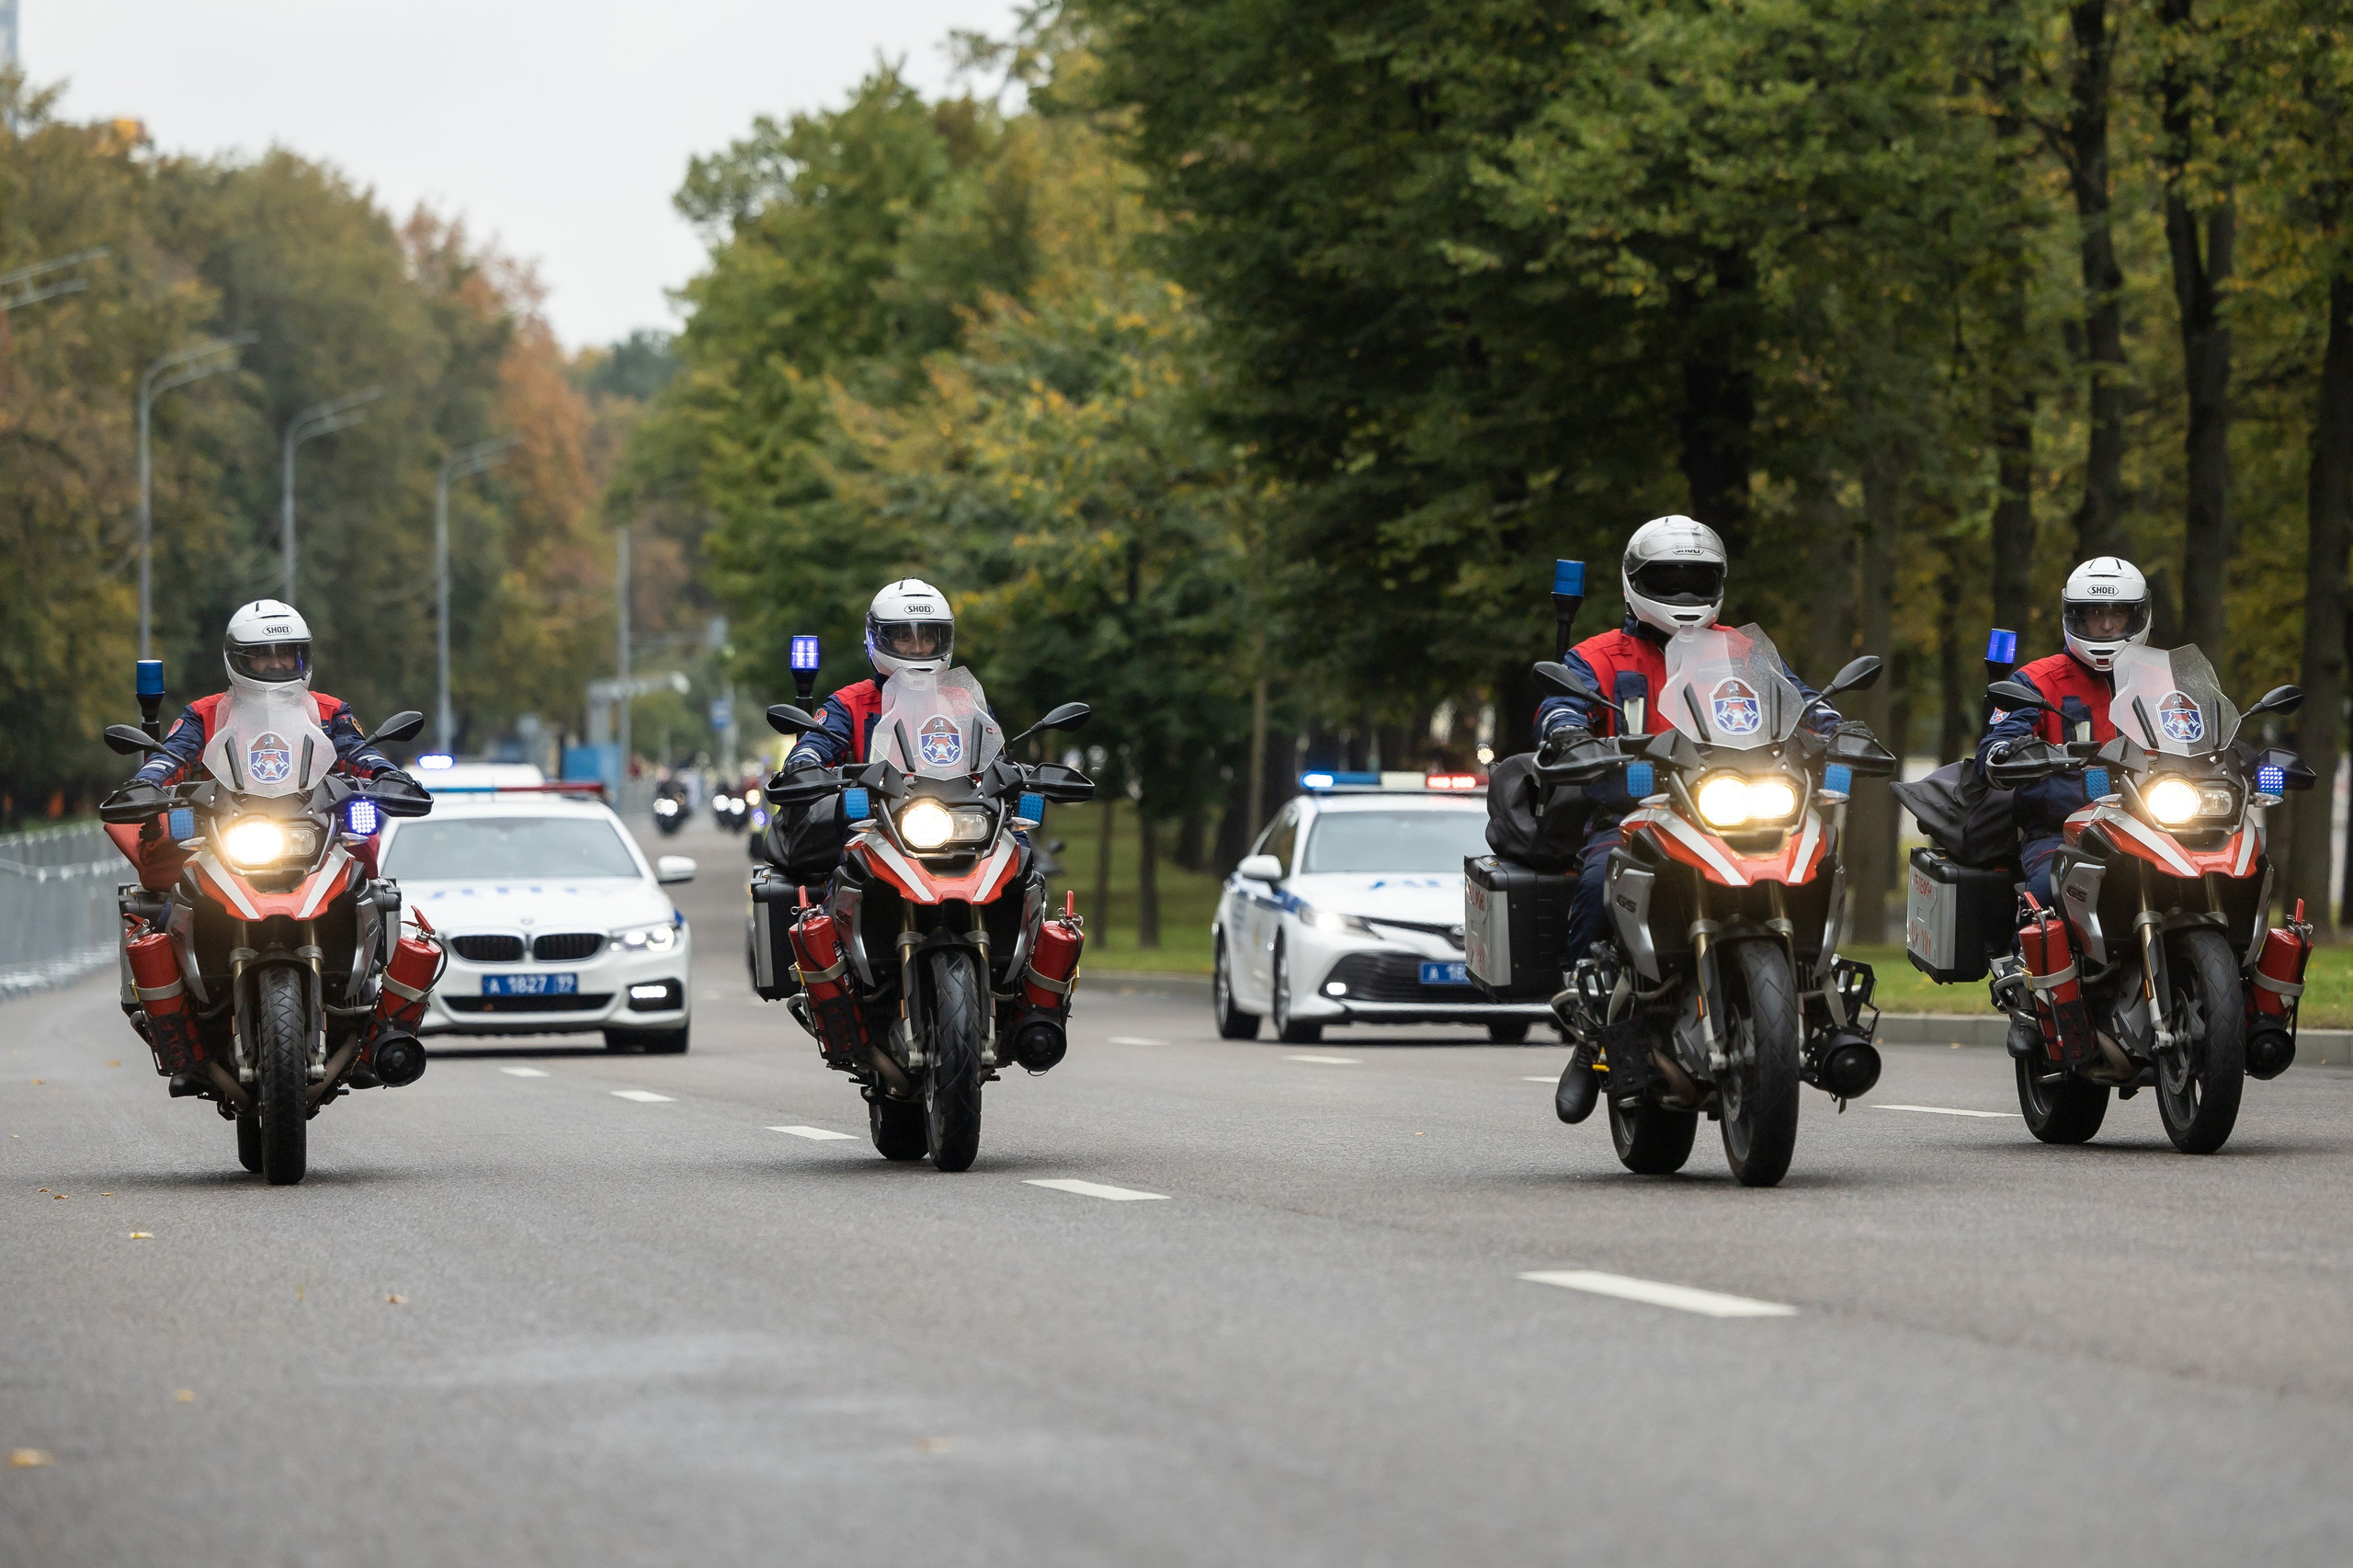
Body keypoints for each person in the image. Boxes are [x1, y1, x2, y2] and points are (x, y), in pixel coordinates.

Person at [1538, 517, 1847, 1124]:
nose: (1683, 594)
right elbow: (1560, 703)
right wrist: (1566, 730)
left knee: (1816, 855)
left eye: (1696, 580)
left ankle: (1820, 992)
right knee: (1602, 871)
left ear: (1719, 584)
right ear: (1634, 582)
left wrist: (1837, 725)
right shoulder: (1597, 655)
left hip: (1732, 804)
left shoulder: (1744, 650)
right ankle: (1591, 1028)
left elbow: (1800, 699)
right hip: (1634, 809)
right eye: (1667, 579)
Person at [102, 602, 422, 841]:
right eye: (263, 654)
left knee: (368, 877)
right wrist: (147, 782)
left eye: (285, 653)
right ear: (238, 657)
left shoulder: (329, 710)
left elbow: (355, 751)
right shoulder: (205, 713)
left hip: (316, 829)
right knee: (174, 896)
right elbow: (172, 754)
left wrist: (387, 774)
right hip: (224, 834)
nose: (276, 663)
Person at [1975, 556, 2147, 912]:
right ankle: (2022, 964)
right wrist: (2005, 754)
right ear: (2075, 617)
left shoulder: (2159, 682)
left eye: (2118, 614)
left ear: (2137, 616)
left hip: (2152, 827)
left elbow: (2199, 733)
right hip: (2064, 832)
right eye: (2094, 614)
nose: (2106, 625)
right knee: (2047, 895)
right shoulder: (2036, 681)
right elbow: (1997, 742)